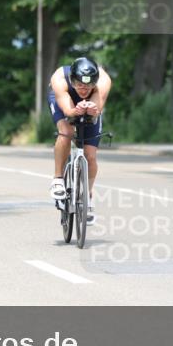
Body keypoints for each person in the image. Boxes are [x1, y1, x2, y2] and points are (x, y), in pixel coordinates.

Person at [48, 57, 112, 223]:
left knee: (90, 155)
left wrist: (92, 109)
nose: (84, 90)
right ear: (72, 80)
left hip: (91, 106)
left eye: (88, 86)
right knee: (66, 131)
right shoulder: (59, 78)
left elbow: (97, 107)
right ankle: (57, 179)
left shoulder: (103, 81)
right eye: (80, 85)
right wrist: (74, 111)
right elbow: (68, 110)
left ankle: (88, 196)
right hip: (64, 100)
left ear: (95, 82)